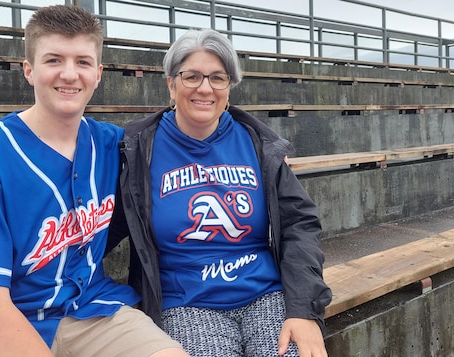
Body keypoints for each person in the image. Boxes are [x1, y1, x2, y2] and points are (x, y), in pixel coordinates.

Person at [0, 5, 189, 357]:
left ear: (99, 73)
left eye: (83, 62)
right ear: (29, 70)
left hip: (90, 310)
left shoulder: (113, 144)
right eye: (54, 60)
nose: (70, 74)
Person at [109, 28, 332, 357]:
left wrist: (303, 309)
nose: (205, 88)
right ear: (171, 83)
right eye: (192, 76)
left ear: (229, 87)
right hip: (187, 303)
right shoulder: (139, 149)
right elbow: (101, 228)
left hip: (266, 294)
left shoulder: (257, 144)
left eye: (218, 78)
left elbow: (300, 223)